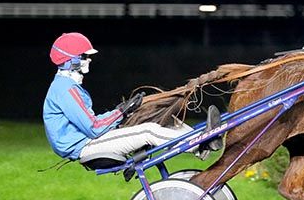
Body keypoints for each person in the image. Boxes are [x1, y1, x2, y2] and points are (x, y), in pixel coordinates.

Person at [43, 32, 220, 163]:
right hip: (84, 147)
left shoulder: (66, 87)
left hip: (88, 141)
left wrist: (122, 110)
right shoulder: (66, 90)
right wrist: (122, 111)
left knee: (162, 120)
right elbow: (94, 128)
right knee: (148, 131)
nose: (88, 60)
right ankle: (198, 143)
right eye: (84, 56)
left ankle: (202, 143)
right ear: (70, 61)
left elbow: (92, 121)